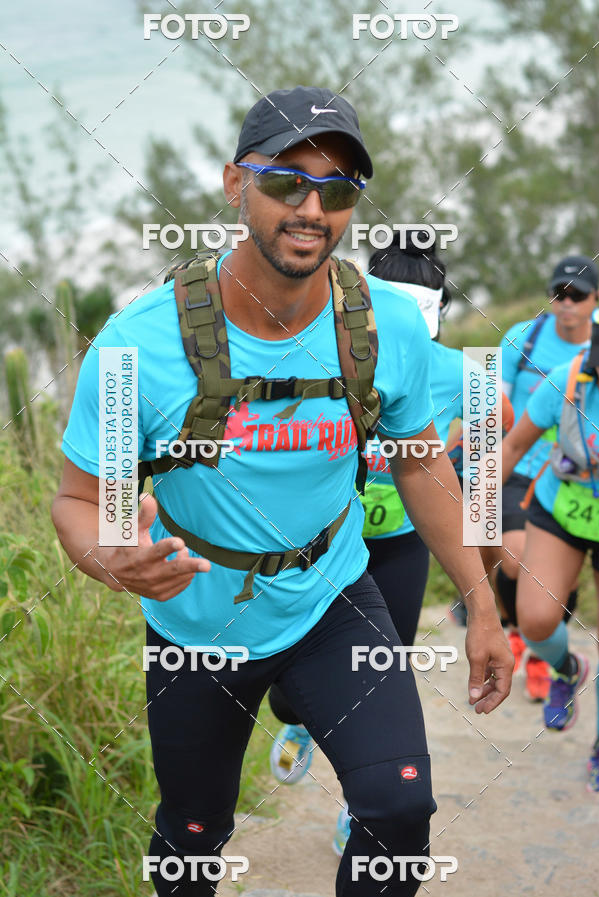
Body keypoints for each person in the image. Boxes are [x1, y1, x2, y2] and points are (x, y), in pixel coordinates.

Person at [51, 86, 512, 897]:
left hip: (333, 596)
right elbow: (83, 499)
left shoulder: (385, 328)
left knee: (400, 808)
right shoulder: (136, 348)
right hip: (200, 621)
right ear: (236, 186)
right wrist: (113, 559)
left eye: (337, 189)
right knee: (194, 836)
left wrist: (481, 600)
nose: (311, 207)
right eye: (285, 181)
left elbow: (419, 463)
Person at [268, 230, 465, 855]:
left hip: (402, 545)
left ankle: (366, 806)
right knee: (289, 690)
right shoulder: (322, 351)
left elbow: (500, 430)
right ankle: (297, 721)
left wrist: (458, 457)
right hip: (326, 544)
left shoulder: (463, 372)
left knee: (382, 673)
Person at [485, 256, 598, 700]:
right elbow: (485, 411)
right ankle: (514, 632)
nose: (565, 304)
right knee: (513, 558)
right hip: (525, 470)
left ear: (595, 299)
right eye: (558, 294)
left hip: (575, 482)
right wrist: (474, 477)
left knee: (559, 585)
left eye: (576, 295)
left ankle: (546, 656)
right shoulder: (522, 339)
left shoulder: (590, 354)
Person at [502, 307, 599, 792]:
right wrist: (473, 519)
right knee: (537, 620)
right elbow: (512, 446)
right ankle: (567, 667)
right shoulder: (568, 378)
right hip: (561, 510)